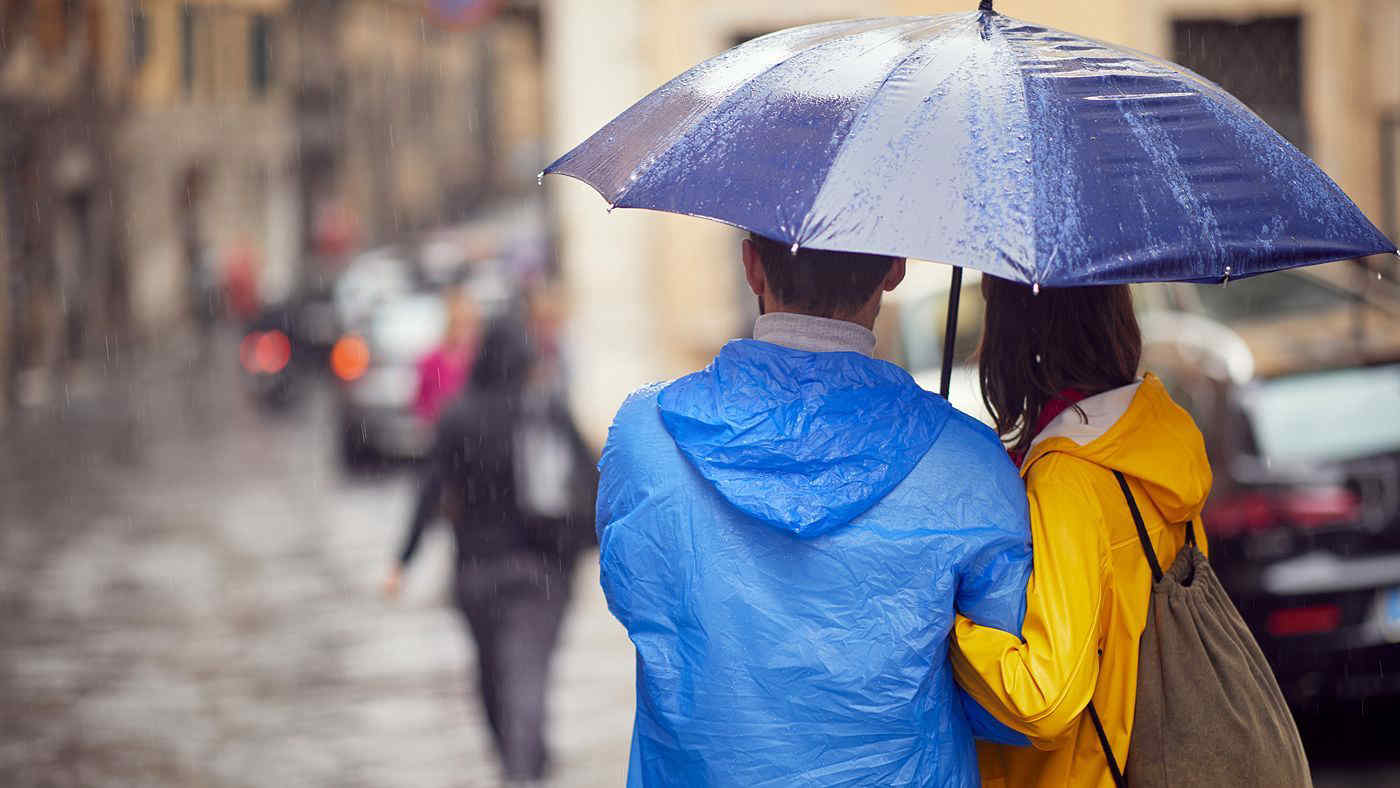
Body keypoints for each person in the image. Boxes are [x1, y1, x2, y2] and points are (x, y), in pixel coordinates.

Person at [594, 233, 1034, 787]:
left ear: (751, 265)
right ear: (895, 269)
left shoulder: (645, 437)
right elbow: (1004, 699)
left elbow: (638, 598)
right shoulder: (968, 461)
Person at [949, 277, 1213, 787]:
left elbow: (1046, 699)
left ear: (1015, 332)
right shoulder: (1158, 437)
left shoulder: (1068, 476)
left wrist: (950, 630)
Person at [383, 290, 597, 783]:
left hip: (477, 576)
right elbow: (590, 480)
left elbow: (430, 489)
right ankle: (525, 767)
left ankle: (520, 766)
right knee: (526, 681)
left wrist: (403, 559)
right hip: (542, 574)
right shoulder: (543, 409)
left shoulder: (458, 416)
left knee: (493, 682)